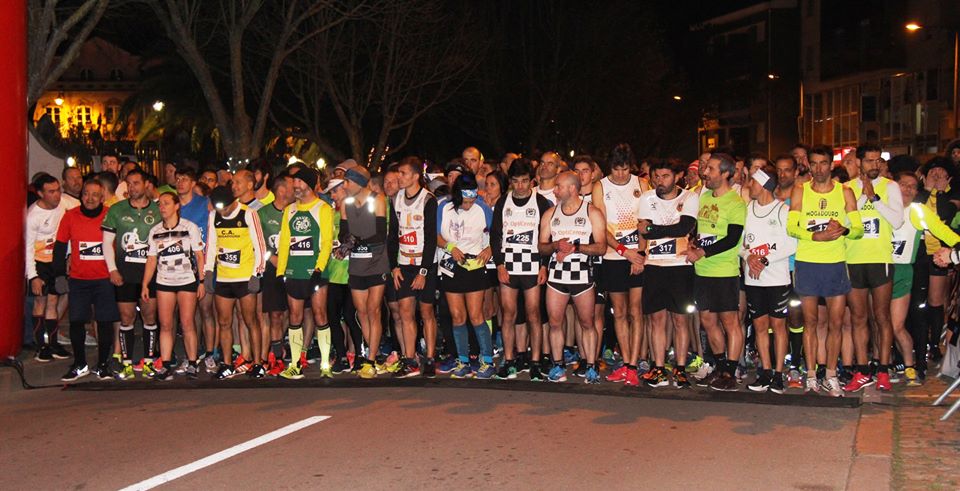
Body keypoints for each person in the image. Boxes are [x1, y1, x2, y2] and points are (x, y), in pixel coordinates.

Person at [787, 145, 863, 397]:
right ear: (808, 165)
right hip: (808, 263)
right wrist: (815, 235)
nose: (818, 168)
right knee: (810, 321)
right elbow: (791, 227)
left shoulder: (845, 191)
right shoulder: (800, 190)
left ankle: (831, 375)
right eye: (814, 163)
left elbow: (859, 229)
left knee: (836, 323)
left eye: (823, 163)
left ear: (831, 165)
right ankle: (811, 374)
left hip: (835, 264)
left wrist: (843, 228)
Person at [843, 144, 904, 393]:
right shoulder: (847, 189)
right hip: (854, 259)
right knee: (858, 318)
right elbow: (845, 221)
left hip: (880, 259)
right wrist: (861, 196)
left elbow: (898, 221)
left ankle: (883, 370)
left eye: (878, 160)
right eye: (869, 161)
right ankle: (862, 370)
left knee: (882, 317)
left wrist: (875, 198)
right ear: (859, 163)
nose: (874, 165)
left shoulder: (890, 187)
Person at [684, 153, 747, 392]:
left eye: (710, 169)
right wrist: (692, 243)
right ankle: (720, 367)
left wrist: (703, 252)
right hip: (702, 271)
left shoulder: (735, 202)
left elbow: (732, 239)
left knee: (730, 322)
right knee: (708, 321)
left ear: (725, 173)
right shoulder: (704, 196)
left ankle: (731, 371)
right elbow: (699, 228)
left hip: (724, 271)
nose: (705, 173)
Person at [891, 172, 960, 386]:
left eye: (913, 186)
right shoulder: (880, 207)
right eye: (903, 185)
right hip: (878, 271)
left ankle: (917, 365)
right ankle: (884, 366)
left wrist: (954, 252)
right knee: (879, 324)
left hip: (909, 271)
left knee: (911, 320)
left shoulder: (918, 211)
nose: (908, 190)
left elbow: (947, 233)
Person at [538, 171, 607, 383]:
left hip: (582, 276)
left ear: (572, 188)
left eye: (558, 186)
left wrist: (576, 247)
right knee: (555, 322)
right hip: (557, 277)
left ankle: (591, 366)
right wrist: (555, 246)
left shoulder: (591, 212)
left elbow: (601, 247)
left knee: (587, 323)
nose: (555, 190)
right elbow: (541, 247)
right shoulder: (550, 213)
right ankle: (558, 365)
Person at [637, 160, 699, 388]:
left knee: (680, 319)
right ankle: (659, 368)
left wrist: (654, 230)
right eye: (656, 176)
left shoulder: (689, 198)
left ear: (678, 176)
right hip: (654, 265)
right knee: (656, 320)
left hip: (680, 266)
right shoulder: (647, 198)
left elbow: (683, 228)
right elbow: (643, 228)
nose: (659, 181)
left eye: (665, 176)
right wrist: (652, 234)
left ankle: (680, 368)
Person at [491, 158, 552, 381]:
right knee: (508, 314)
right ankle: (509, 360)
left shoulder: (541, 202)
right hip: (508, 265)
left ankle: (535, 362)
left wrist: (544, 265)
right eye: (515, 181)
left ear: (532, 181)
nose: (520, 186)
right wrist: (499, 264)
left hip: (532, 265)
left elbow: (548, 238)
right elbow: (495, 235)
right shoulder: (503, 202)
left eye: (525, 181)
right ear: (510, 181)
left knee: (534, 314)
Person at [53, 179, 119, 381]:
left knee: (105, 322)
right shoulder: (70, 216)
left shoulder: (111, 215)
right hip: (79, 280)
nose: (90, 198)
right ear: (81, 196)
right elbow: (60, 247)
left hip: (104, 279)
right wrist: (58, 275)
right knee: (76, 322)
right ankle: (80, 363)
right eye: (86, 194)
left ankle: (102, 365)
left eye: (95, 195)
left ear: (101, 197)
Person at [593, 145, 647, 385]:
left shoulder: (642, 184)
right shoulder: (600, 186)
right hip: (614, 256)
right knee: (620, 312)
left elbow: (647, 222)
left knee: (637, 311)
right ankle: (625, 363)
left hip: (638, 257)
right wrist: (625, 251)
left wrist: (641, 254)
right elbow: (601, 226)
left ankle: (634, 365)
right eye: (616, 169)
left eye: (625, 169)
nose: (621, 174)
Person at [740, 165, 796, 394]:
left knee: (779, 326)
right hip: (753, 280)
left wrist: (764, 260)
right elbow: (741, 244)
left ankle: (778, 373)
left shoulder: (782, 210)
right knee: (760, 326)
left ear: (763, 184)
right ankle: (765, 371)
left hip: (777, 278)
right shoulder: (746, 210)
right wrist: (749, 256)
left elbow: (792, 244)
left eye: (752, 181)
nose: (748, 186)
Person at [275, 168, 334, 379]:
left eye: (298, 182)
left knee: (320, 314)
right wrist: (281, 271)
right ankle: (295, 363)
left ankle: (326, 363)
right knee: (294, 317)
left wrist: (319, 269)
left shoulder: (323, 209)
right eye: (294, 182)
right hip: (294, 271)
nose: (295, 186)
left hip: (315, 270)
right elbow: (284, 243)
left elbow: (327, 242)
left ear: (309, 184)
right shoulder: (289, 210)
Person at [101, 169, 161, 378]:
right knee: (126, 318)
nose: (133, 187)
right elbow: (107, 243)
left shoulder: (158, 209)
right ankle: (126, 363)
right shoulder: (116, 210)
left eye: (136, 183)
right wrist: (112, 269)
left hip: (151, 274)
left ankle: (150, 361)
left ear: (146, 185)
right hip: (124, 274)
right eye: (129, 184)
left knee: (150, 316)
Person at [203, 185, 267, 379]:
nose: (222, 211)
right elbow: (212, 245)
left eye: (225, 207)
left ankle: (257, 363)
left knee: (250, 320)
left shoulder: (248, 214)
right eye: (218, 208)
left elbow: (260, 245)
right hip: (224, 277)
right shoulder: (214, 216)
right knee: (224, 322)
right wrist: (208, 271)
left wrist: (257, 273)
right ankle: (227, 364)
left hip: (245, 277)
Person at [141, 192, 206, 380]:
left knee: (187, 323)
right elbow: (151, 259)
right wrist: (145, 284)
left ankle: (192, 363)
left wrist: (200, 281)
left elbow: (199, 256)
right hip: (164, 281)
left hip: (186, 280)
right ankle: (166, 364)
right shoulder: (155, 231)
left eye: (167, 203)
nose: (162, 207)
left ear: (177, 206)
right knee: (166, 324)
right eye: (160, 204)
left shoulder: (189, 227)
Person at [438, 171, 495, 378]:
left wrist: (490, 249)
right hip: (451, 266)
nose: (469, 204)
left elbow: (496, 232)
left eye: (472, 199)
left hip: (475, 266)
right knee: (457, 316)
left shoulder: (483, 208)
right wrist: (450, 246)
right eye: (465, 200)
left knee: (476, 315)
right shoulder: (444, 207)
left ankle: (487, 359)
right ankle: (462, 360)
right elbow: (436, 235)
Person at [388, 156, 439, 377]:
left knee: (426, 311)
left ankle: (430, 357)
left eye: (404, 173)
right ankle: (410, 359)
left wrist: (424, 272)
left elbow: (430, 238)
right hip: (404, 264)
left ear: (416, 176)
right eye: (398, 173)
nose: (399, 177)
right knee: (405, 310)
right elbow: (393, 236)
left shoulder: (428, 200)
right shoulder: (396, 199)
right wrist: (394, 267)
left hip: (424, 264)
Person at [338, 166, 390, 378]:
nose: (344, 186)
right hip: (357, 263)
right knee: (361, 312)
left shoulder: (377, 199)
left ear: (358, 182)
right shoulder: (346, 203)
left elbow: (379, 233)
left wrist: (354, 240)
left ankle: (370, 359)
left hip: (376, 261)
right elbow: (343, 231)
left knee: (373, 309)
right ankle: (374, 354)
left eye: (347, 182)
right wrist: (345, 242)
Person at [26, 174, 70, 361]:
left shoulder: (63, 206)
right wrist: (33, 276)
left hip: (57, 262)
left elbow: (67, 232)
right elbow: (27, 248)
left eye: (58, 190)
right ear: (40, 193)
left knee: (53, 302)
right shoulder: (33, 216)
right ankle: (40, 346)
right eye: (51, 192)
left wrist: (68, 257)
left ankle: (53, 344)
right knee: (40, 302)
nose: (56, 195)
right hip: (39, 263)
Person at [257, 171, 293, 376]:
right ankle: (276, 356)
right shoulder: (262, 214)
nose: (295, 189)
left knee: (293, 312)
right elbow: (258, 241)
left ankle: (293, 351)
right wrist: (271, 257)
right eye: (291, 185)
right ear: (281, 190)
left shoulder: (297, 211)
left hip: (294, 268)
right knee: (275, 314)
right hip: (272, 270)